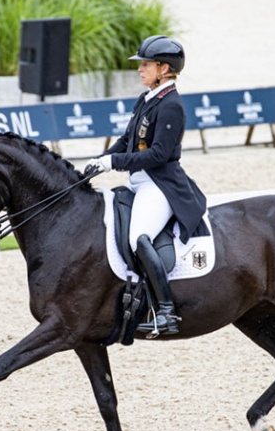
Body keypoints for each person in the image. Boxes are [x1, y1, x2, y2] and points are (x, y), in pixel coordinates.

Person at [86, 35, 207, 335]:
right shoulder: (146, 99)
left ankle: (166, 311)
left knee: (138, 237)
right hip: (139, 182)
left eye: (146, 64)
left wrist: (115, 163)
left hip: (160, 185)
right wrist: (99, 161)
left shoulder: (171, 106)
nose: (140, 69)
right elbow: (128, 141)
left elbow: (158, 155)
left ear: (164, 69)